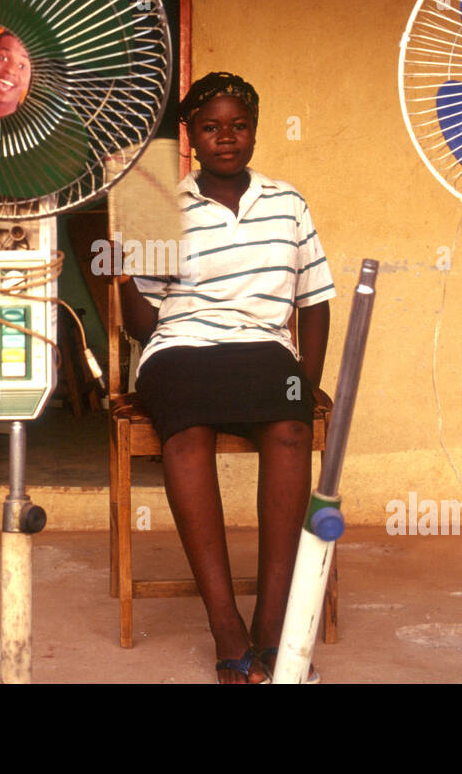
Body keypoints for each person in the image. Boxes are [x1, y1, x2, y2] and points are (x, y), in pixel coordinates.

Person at [117, 71, 334, 683]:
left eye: (239, 126)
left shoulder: (288, 203)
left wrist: (304, 381)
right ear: (191, 135)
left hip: (263, 349)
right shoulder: (160, 202)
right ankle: (225, 626)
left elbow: (315, 300)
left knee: (291, 428)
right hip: (179, 348)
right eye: (211, 127)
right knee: (186, 436)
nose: (227, 138)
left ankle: (272, 622)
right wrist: (123, 265)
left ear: (255, 131)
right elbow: (141, 324)